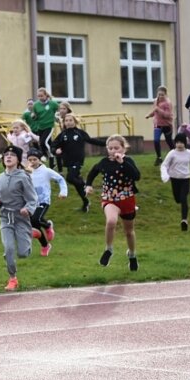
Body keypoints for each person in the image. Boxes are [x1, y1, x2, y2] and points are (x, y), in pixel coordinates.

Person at [85, 135, 141, 271]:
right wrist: (88, 185)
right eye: (110, 148)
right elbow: (93, 172)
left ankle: (132, 255)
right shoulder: (104, 162)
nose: (113, 150)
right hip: (110, 198)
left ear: (124, 148)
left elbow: (136, 176)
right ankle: (109, 249)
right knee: (111, 221)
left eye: (116, 148)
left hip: (127, 199)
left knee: (129, 231)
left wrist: (122, 162)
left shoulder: (128, 161)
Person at [0, 145, 37, 291]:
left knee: (23, 253)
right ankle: (12, 278)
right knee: (9, 248)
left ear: (18, 160)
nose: (8, 157)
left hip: (21, 218)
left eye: (12, 155)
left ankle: (33, 232)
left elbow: (32, 199)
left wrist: (28, 209)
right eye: (6, 155)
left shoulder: (24, 177)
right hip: (5, 218)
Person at [51, 113, 105, 212]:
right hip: (68, 161)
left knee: (70, 178)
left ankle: (84, 184)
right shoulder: (63, 134)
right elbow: (53, 145)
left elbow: (91, 140)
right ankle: (85, 202)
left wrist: (107, 143)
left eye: (70, 120)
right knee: (76, 184)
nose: (68, 122)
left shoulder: (80, 133)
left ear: (75, 121)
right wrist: (55, 150)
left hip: (77, 160)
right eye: (66, 120)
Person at [27, 147, 68, 256]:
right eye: (30, 160)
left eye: (34, 159)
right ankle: (45, 245)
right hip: (31, 202)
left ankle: (48, 226)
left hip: (43, 201)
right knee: (34, 224)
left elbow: (60, 179)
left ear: (40, 159)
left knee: (36, 219)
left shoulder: (46, 171)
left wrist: (63, 191)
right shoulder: (27, 172)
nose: (32, 162)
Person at [160, 133, 190, 231]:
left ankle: (184, 220)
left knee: (184, 198)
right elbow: (164, 165)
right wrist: (165, 175)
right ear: (175, 143)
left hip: (185, 179)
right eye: (177, 142)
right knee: (178, 199)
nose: (179, 144)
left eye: (181, 142)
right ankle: (188, 192)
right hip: (175, 179)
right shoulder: (172, 153)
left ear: (185, 143)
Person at [145, 86, 175, 166]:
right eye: (159, 94)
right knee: (156, 140)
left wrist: (158, 110)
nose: (160, 96)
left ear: (165, 95)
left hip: (167, 125)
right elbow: (155, 111)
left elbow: (167, 115)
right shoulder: (155, 101)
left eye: (162, 95)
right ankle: (159, 158)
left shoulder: (168, 103)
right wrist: (149, 115)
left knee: (169, 142)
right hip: (157, 125)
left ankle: (176, 156)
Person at [30, 88, 59, 160]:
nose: (40, 98)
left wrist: (57, 116)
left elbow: (59, 110)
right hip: (40, 126)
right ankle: (54, 154)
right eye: (38, 96)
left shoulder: (53, 104)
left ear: (46, 95)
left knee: (43, 142)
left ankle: (47, 156)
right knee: (48, 143)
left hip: (49, 126)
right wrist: (33, 116)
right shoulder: (36, 105)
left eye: (41, 96)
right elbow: (35, 117)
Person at [54, 101, 73, 172]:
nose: (62, 110)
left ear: (68, 109)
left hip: (71, 139)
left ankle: (72, 171)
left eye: (64, 109)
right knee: (57, 152)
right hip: (63, 137)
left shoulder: (70, 117)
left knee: (70, 156)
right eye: (60, 109)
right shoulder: (60, 117)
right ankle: (60, 171)